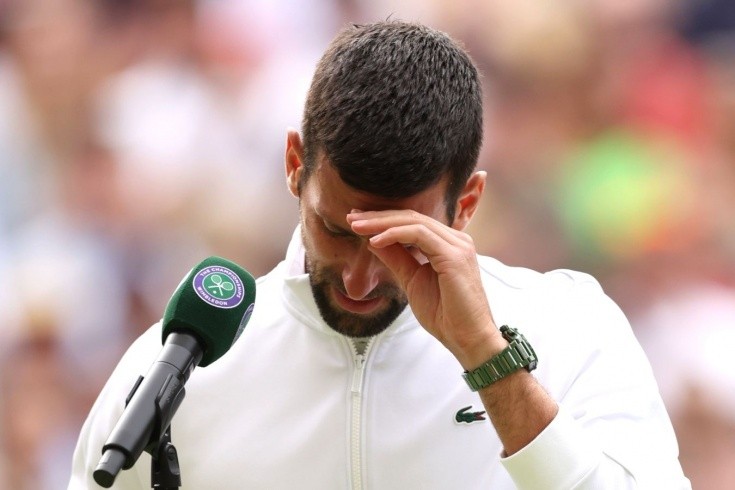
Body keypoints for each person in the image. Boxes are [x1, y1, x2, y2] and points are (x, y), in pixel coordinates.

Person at [69, 21, 690, 489]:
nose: (361, 280)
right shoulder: (179, 367)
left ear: (466, 204)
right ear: (294, 164)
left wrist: (489, 361)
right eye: (336, 230)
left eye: (400, 244)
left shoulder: (573, 328)